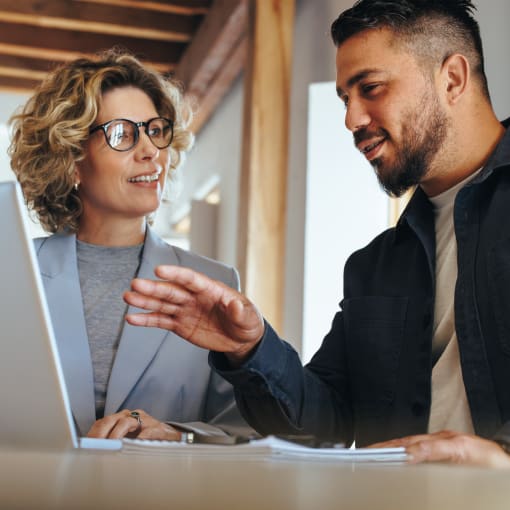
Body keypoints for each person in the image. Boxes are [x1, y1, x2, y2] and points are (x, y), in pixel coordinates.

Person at [123, 0, 510, 467]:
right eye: (347, 99)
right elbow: (321, 425)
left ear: (452, 79)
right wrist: (250, 348)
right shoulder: (375, 266)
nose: (352, 120)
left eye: (371, 88)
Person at [9, 49, 253, 441]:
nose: (150, 152)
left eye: (155, 130)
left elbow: (246, 429)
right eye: (123, 134)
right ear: (71, 159)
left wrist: (178, 435)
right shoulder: (13, 275)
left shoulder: (213, 281)